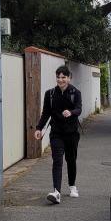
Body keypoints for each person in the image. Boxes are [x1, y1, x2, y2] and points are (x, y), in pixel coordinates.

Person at [34, 65, 82, 204]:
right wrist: (39, 128)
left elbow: (79, 108)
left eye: (63, 77)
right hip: (56, 133)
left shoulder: (75, 92)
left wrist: (71, 112)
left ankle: (72, 186)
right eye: (58, 77)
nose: (60, 80)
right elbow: (46, 113)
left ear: (69, 78)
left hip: (72, 133)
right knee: (57, 161)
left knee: (71, 159)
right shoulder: (50, 94)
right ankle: (56, 192)